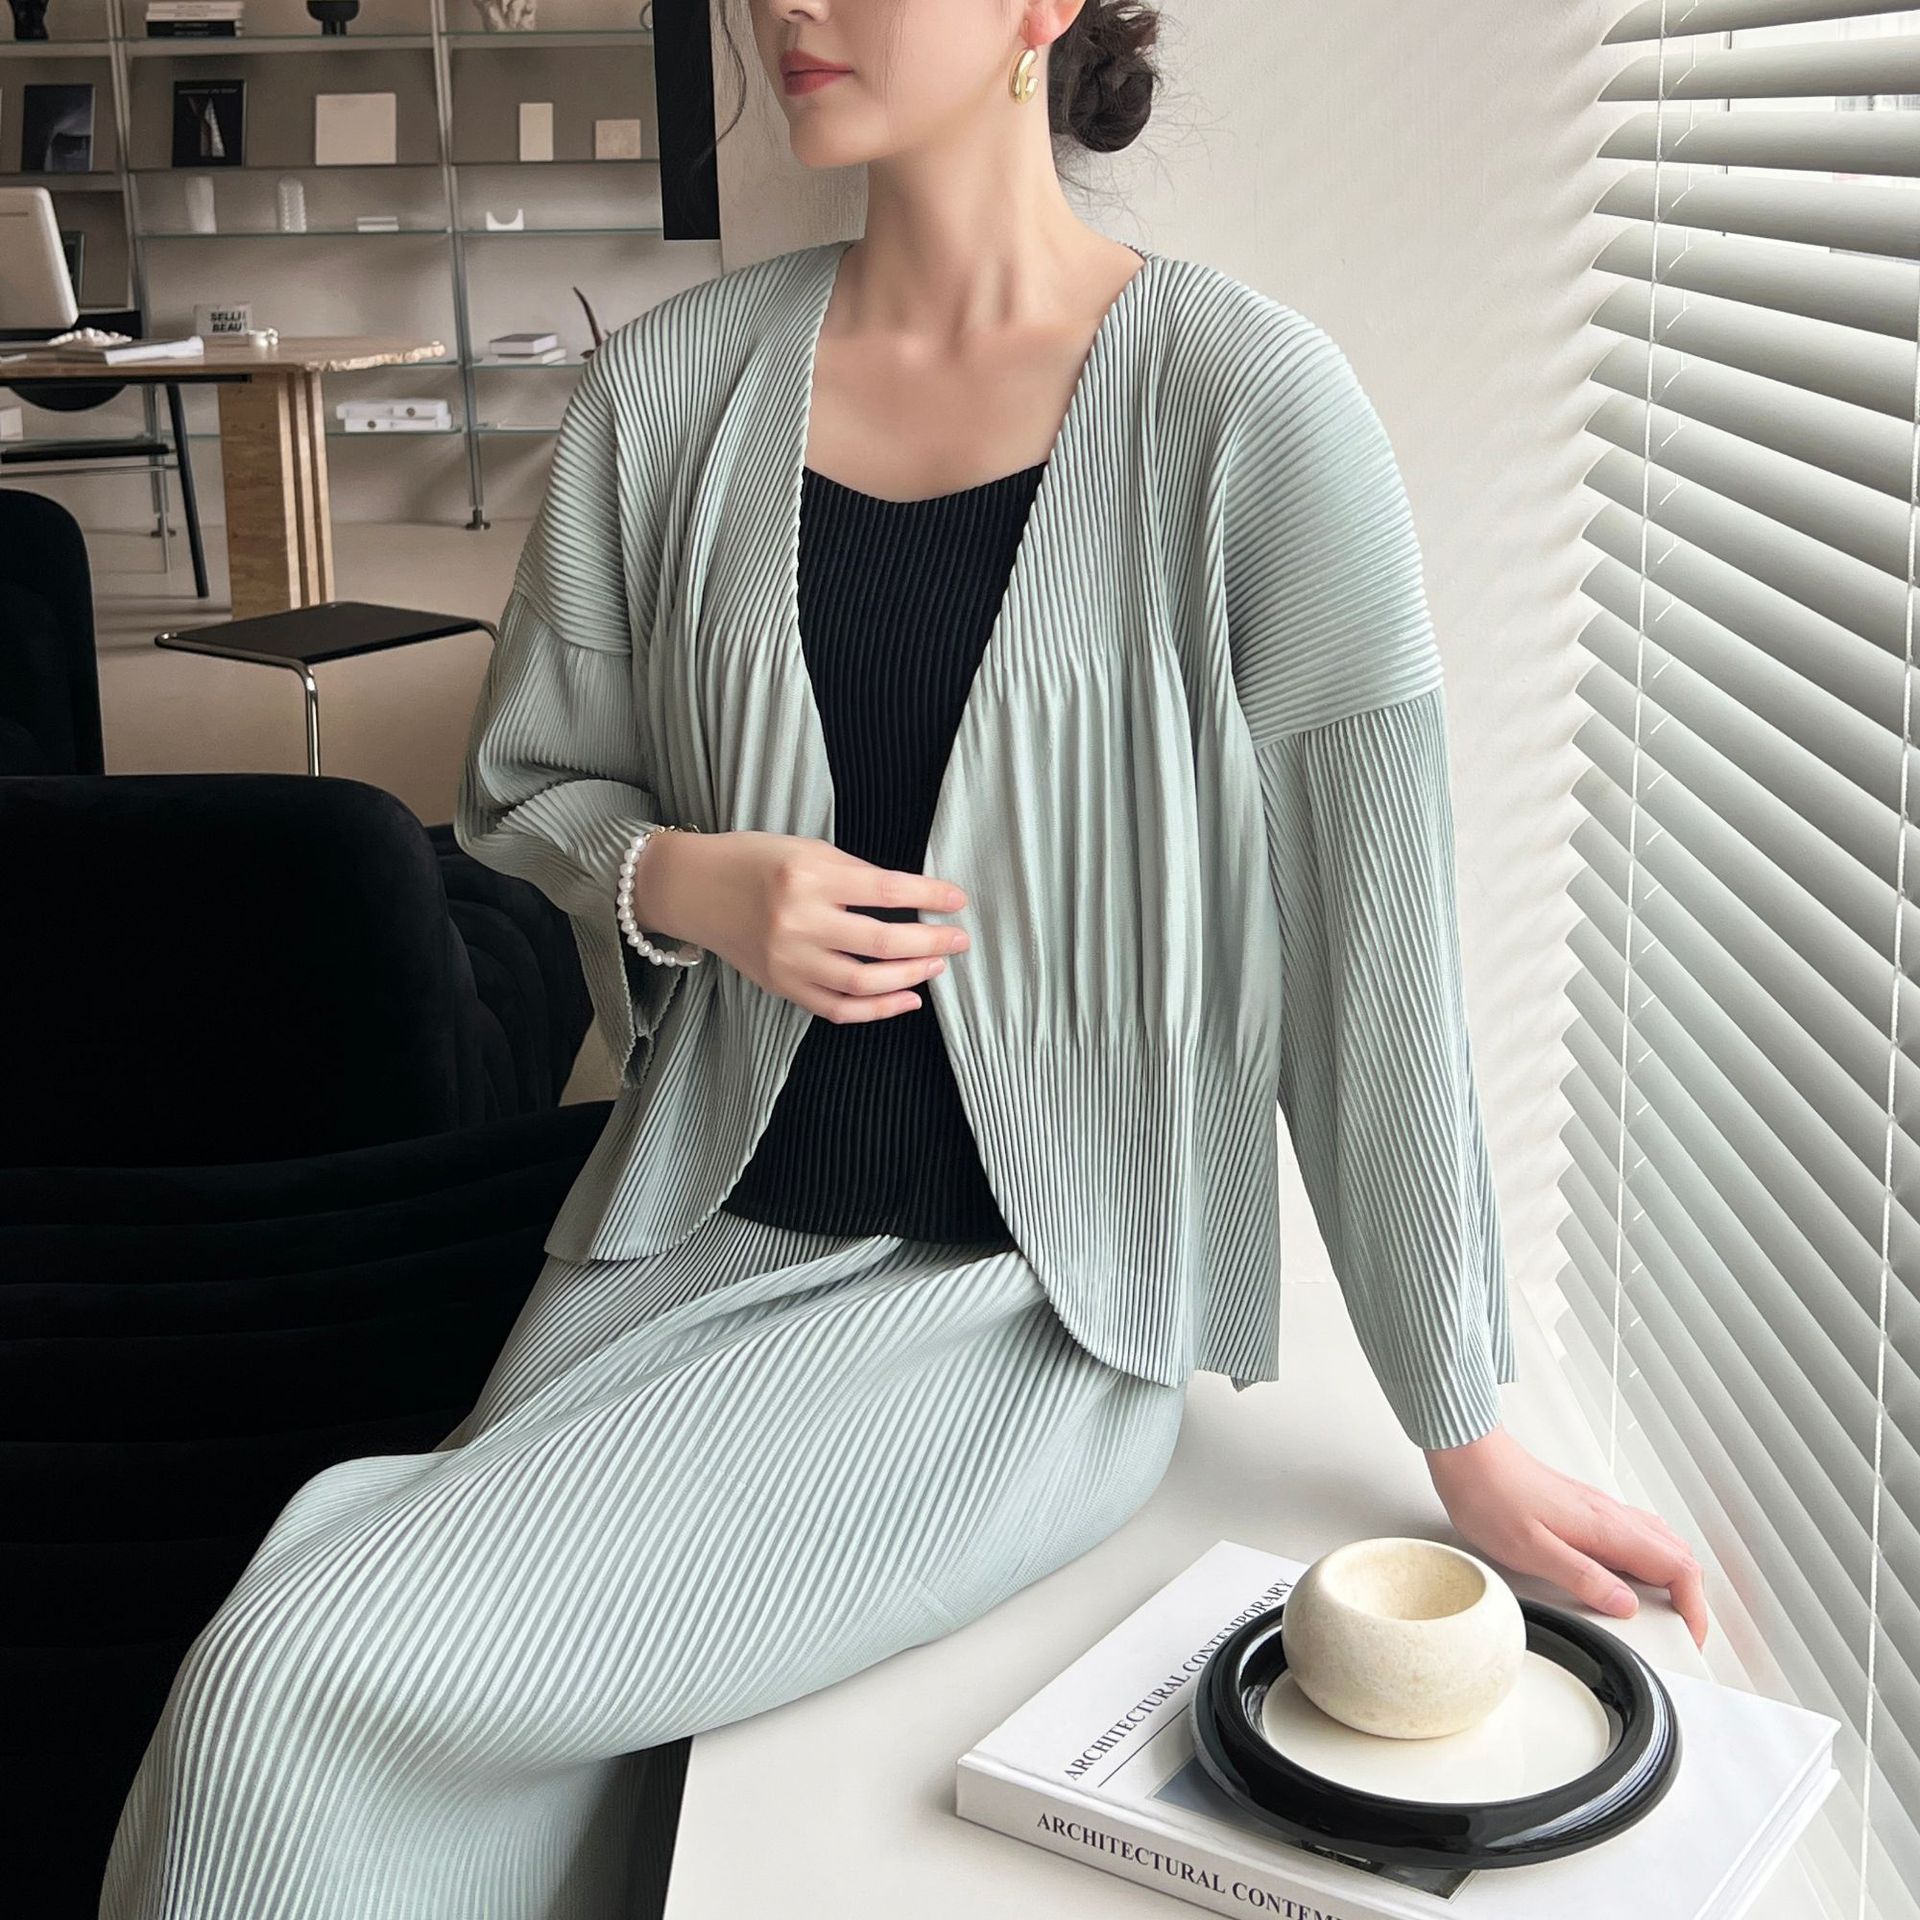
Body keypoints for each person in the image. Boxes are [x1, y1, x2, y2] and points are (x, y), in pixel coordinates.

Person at [96, 4, 1708, 1915]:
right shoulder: (667, 391)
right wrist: (681, 878)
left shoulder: (1251, 410)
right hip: (677, 1243)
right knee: (396, 1672)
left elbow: (1377, 965)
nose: (788, 6)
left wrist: (1464, 1427)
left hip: (1014, 1314)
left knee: (284, 1687)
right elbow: (522, 787)